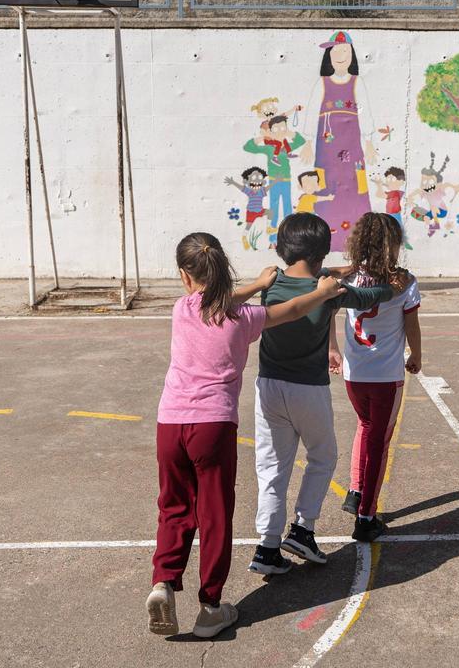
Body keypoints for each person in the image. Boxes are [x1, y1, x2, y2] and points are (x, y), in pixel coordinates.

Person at [147, 232, 345, 639]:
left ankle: (163, 582)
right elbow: (291, 310)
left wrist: (256, 284)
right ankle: (210, 606)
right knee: (214, 513)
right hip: (213, 426)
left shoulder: (181, 309)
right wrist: (323, 292)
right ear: (222, 267)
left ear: (186, 276)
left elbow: (216, 298)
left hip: (169, 424)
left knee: (174, 506)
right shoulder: (244, 318)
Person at [249, 213, 408, 576]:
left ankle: (267, 546)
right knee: (322, 456)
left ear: (281, 248)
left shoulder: (270, 283)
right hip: (308, 389)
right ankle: (303, 529)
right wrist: (394, 288)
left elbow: (311, 271)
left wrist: (341, 268)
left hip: (269, 387)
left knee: (272, 468)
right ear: (324, 253)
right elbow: (369, 295)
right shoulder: (328, 291)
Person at [331, 213, 421, 542]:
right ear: (393, 244)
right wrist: (418, 355)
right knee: (379, 442)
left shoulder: (348, 278)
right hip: (385, 375)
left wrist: (332, 348)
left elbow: (327, 306)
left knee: (365, 427)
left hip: (355, 375)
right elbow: (411, 324)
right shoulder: (403, 281)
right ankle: (366, 516)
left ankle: (356, 490)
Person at [302, 31, 392, 251]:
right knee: (326, 183)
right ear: (328, 55)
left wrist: (369, 141)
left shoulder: (356, 83)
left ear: (352, 55)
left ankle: (359, 240)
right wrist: (307, 141)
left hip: (353, 145)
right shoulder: (322, 84)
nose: (340, 55)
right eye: (336, 50)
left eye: (345, 50)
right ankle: (325, 239)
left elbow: (367, 113)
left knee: (355, 183)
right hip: (327, 146)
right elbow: (312, 111)